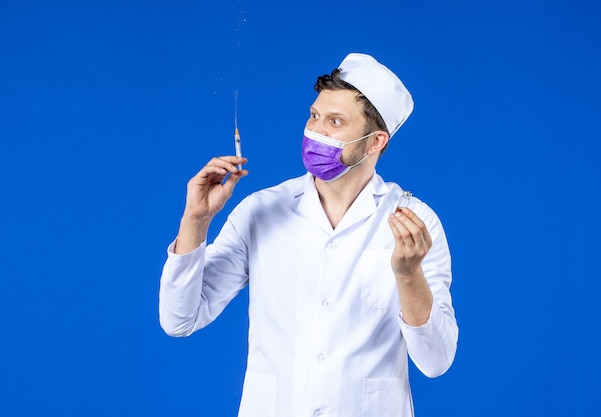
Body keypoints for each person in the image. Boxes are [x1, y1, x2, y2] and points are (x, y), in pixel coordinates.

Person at [159, 52, 458, 417]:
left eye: (335, 121)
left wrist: (409, 275)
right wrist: (195, 221)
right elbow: (179, 320)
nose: (316, 130)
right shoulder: (261, 210)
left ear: (376, 141)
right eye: (314, 116)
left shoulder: (414, 221)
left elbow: (436, 361)